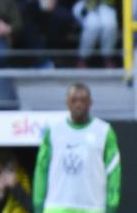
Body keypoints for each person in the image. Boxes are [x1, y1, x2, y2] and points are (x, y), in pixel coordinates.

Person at [33, 83, 121, 213]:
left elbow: (114, 169)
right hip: (57, 206)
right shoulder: (53, 130)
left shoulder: (104, 131)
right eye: (74, 100)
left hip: (93, 207)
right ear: (67, 102)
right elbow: (42, 168)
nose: (78, 104)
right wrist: (38, 202)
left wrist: (112, 204)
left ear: (90, 103)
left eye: (83, 100)